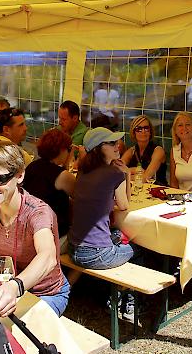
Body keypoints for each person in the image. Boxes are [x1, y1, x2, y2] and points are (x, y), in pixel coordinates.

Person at [0, 139, 70, 317]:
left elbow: (48, 257)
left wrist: (14, 286)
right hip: (9, 286)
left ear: (19, 175)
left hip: (45, 293)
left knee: (5, 331)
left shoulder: (38, 212)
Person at [68, 127, 135, 319]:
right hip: (96, 254)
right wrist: (126, 174)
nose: (117, 146)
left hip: (74, 249)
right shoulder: (114, 174)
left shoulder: (82, 171)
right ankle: (126, 301)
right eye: (111, 143)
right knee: (138, 248)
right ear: (98, 148)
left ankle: (103, 293)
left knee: (115, 236)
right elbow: (124, 205)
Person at [23, 129, 76, 237]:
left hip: (30, 227)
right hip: (54, 232)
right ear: (61, 150)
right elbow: (82, 195)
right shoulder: (62, 176)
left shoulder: (32, 166)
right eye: (69, 149)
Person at [121, 115, 167, 185]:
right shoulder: (131, 151)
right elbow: (117, 171)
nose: (143, 131)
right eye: (139, 129)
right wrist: (134, 170)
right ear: (134, 132)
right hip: (139, 190)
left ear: (150, 132)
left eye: (146, 128)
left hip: (158, 190)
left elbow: (146, 177)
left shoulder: (158, 151)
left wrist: (127, 174)